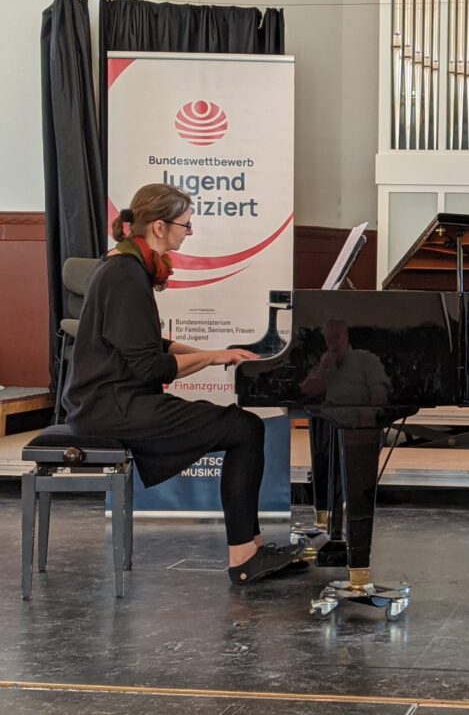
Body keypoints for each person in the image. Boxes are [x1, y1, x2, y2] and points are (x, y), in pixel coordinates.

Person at [63, 183, 302, 586]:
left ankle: (253, 548)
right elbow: (150, 368)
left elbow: (144, 342)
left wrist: (216, 352)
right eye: (184, 226)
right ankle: (244, 557)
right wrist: (210, 358)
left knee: (243, 427)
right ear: (159, 226)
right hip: (111, 408)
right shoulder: (126, 275)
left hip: (107, 401)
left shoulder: (120, 264)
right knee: (245, 428)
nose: (186, 233)